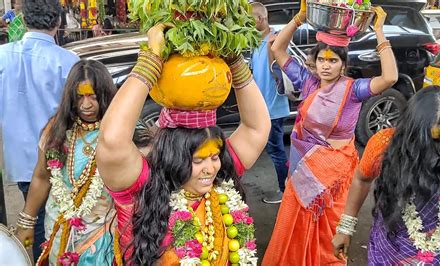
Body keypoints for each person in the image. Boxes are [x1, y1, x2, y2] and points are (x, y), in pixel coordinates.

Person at [96, 24, 271, 265]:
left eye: (214, 157)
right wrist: (150, 62)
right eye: (198, 160)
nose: (210, 169)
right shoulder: (141, 187)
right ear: (171, 157)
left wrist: (233, 59)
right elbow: (111, 140)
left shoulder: (221, 182)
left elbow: (257, 128)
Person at [262, 0, 398, 264]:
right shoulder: (307, 81)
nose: (326, 66)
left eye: (332, 61)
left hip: (334, 174)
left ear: (342, 65)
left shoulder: (353, 90)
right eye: (322, 60)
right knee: (295, 225)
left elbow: (390, 78)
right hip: (303, 168)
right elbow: (277, 47)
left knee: (327, 233)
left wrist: (380, 31)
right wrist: (299, 18)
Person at [332, 86, 440, 265]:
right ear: (410, 130)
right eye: (426, 138)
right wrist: (345, 228)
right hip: (391, 247)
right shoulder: (384, 145)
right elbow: (361, 179)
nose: (434, 147)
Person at [15, 60, 118, 265]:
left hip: (102, 233)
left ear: (105, 95)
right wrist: (26, 222)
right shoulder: (57, 131)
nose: (86, 105)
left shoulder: (118, 132)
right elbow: (41, 177)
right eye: (79, 97)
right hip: (58, 228)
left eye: (93, 97)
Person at [0, 0, 79, 261]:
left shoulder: (3, 56)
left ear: (23, 21)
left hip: (20, 161)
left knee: (32, 222)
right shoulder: (68, 61)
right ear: (58, 22)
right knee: (54, 227)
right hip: (59, 162)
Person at [250, 2, 290, 204]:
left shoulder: (275, 41)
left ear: (261, 19)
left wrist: (271, 47)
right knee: (273, 149)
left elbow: (276, 70)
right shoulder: (256, 42)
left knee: (276, 150)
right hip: (262, 107)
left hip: (273, 107)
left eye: (250, 20)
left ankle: (286, 192)